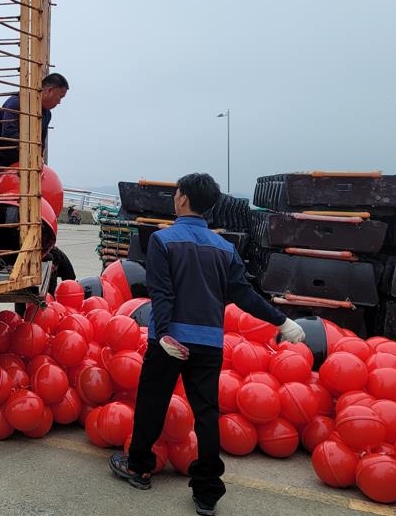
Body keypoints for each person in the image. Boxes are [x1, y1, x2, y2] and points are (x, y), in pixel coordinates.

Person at [109, 172, 304, 516]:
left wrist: (167, 333)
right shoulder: (224, 248)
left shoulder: (162, 240)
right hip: (209, 343)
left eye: (176, 193)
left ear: (183, 199)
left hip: (169, 340)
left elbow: (161, 293)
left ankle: (139, 467)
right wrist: (282, 320)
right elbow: (243, 294)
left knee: (153, 402)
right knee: (206, 414)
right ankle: (207, 492)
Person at [0, 73, 68, 196]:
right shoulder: (16, 103)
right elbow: (9, 135)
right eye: (60, 97)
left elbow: (40, 141)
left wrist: (39, 157)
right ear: (49, 90)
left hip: (17, 163)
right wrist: (31, 154)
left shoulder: (47, 114)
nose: (59, 102)